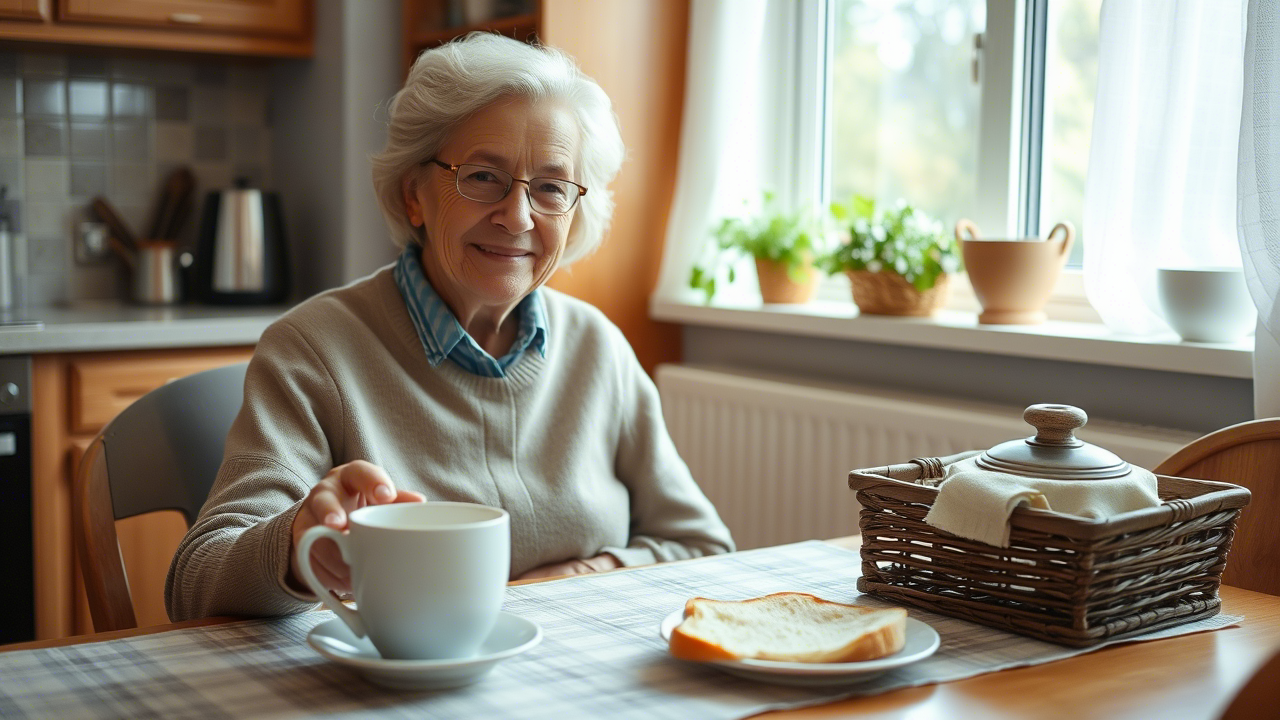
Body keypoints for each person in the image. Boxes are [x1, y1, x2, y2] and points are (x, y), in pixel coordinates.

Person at [165, 33, 735, 621]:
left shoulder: (598, 348)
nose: (517, 217)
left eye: (550, 187)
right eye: (483, 177)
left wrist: (581, 575)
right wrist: (292, 544)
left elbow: (704, 547)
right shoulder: (314, 350)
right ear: (415, 195)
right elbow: (195, 582)